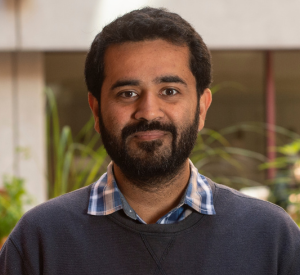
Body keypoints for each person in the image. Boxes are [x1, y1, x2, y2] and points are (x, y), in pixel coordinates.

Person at [1, 7, 300, 275]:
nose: (148, 112)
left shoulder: (271, 238)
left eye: (169, 91)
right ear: (95, 110)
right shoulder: (39, 240)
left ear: (201, 107)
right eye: (127, 93)